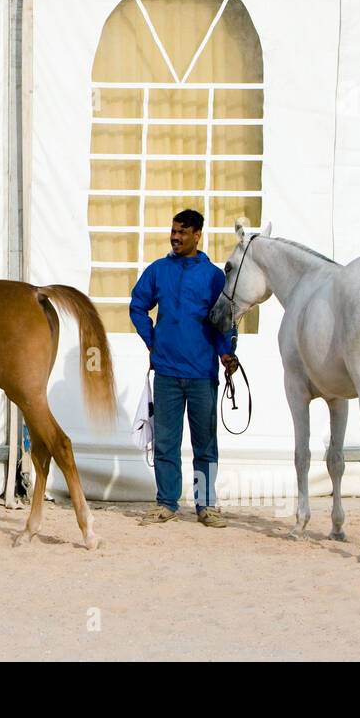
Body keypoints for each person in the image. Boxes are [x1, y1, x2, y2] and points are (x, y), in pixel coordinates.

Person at [130, 209, 238, 528]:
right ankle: (166, 503)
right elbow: (138, 305)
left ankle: (206, 506)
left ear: (197, 235)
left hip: (202, 373)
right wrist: (152, 341)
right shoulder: (158, 270)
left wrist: (227, 354)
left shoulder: (214, 276)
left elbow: (225, 321)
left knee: (205, 444)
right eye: (174, 230)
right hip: (166, 371)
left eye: (183, 232)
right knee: (166, 442)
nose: (176, 237)